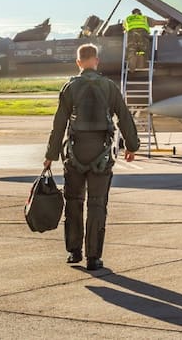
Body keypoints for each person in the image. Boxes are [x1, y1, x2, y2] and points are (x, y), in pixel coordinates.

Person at [43, 43, 140, 271]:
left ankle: (74, 252)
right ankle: (93, 258)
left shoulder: (70, 87)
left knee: (74, 202)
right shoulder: (109, 87)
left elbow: (59, 124)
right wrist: (132, 146)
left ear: (78, 63)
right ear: (96, 61)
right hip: (101, 155)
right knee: (97, 205)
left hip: (75, 154)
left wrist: (50, 155)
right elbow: (124, 117)